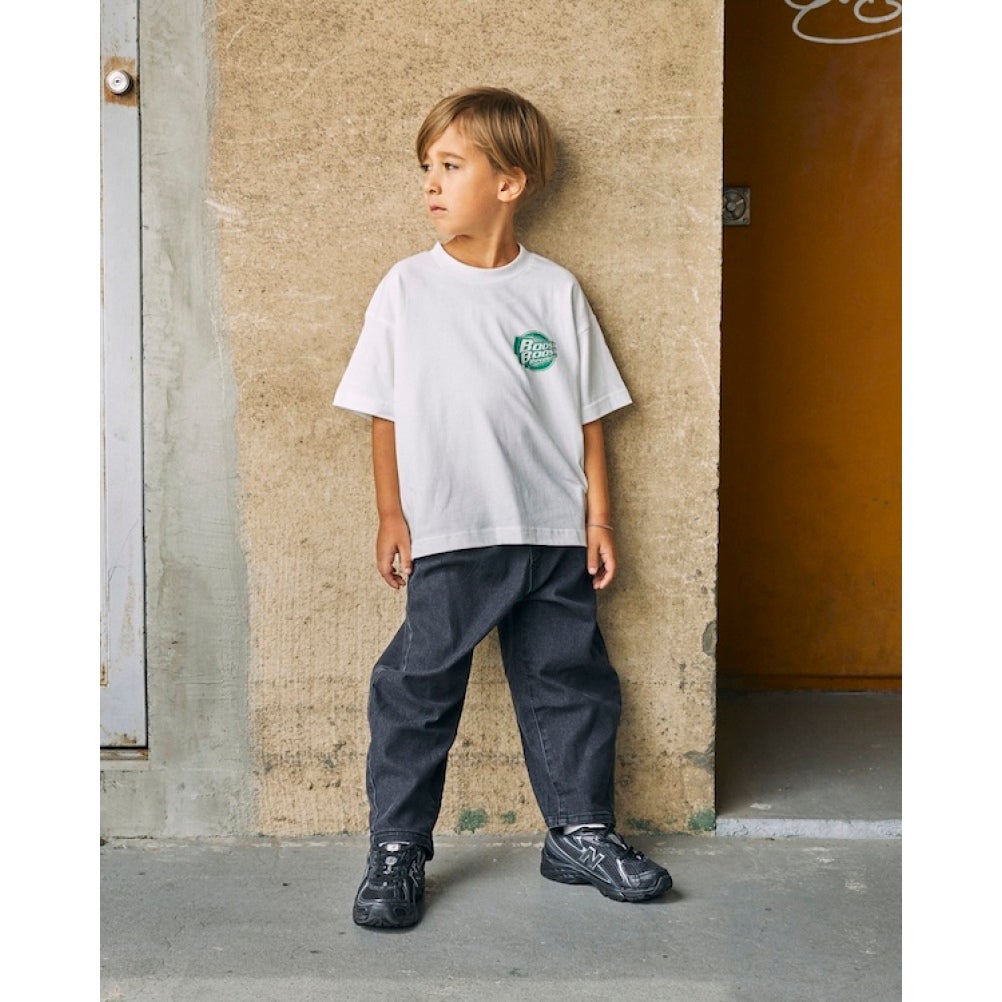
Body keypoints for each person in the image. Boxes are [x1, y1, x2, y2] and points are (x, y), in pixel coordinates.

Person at [333, 86, 673, 929]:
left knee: (572, 683)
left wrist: (598, 519)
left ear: (509, 183)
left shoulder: (554, 291)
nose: (431, 184)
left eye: (451, 166)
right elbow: (384, 411)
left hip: (552, 533)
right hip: (454, 530)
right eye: (427, 167)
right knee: (418, 689)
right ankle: (397, 848)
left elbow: (588, 417)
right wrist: (391, 515)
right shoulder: (408, 288)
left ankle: (580, 833)